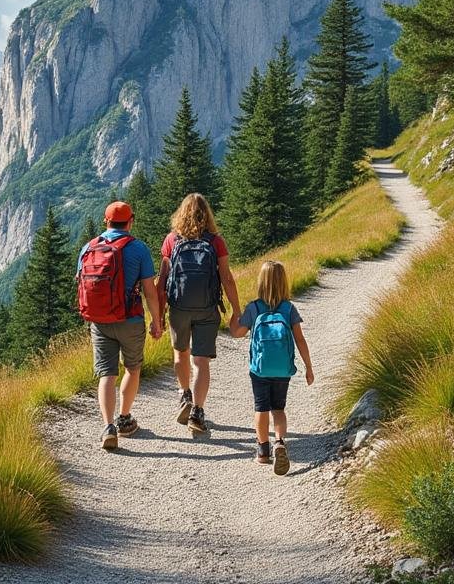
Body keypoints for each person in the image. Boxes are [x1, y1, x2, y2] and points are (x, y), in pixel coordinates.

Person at [77, 201, 162, 450]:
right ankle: (124, 418)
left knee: (107, 374)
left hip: (100, 321)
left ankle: (107, 427)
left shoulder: (88, 247)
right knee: (133, 369)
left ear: (106, 221)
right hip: (130, 320)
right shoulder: (138, 249)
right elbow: (150, 291)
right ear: (130, 221)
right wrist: (156, 322)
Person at [156, 193, 241, 434]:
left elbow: (162, 281)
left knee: (180, 353)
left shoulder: (172, 240)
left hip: (179, 308)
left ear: (181, 214)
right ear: (207, 214)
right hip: (207, 308)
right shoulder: (216, 241)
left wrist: (159, 314)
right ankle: (197, 411)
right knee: (201, 361)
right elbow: (226, 278)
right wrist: (236, 309)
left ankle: (184, 395)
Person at [231, 260, 314, 475]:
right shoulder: (289, 308)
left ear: (261, 282)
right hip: (282, 369)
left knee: (261, 407)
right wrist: (308, 366)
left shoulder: (255, 307)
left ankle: (262, 451)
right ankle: (279, 442)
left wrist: (234, 318)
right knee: (278, 408)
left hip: (259, 369)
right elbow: (300, 339)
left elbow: (238, 333)